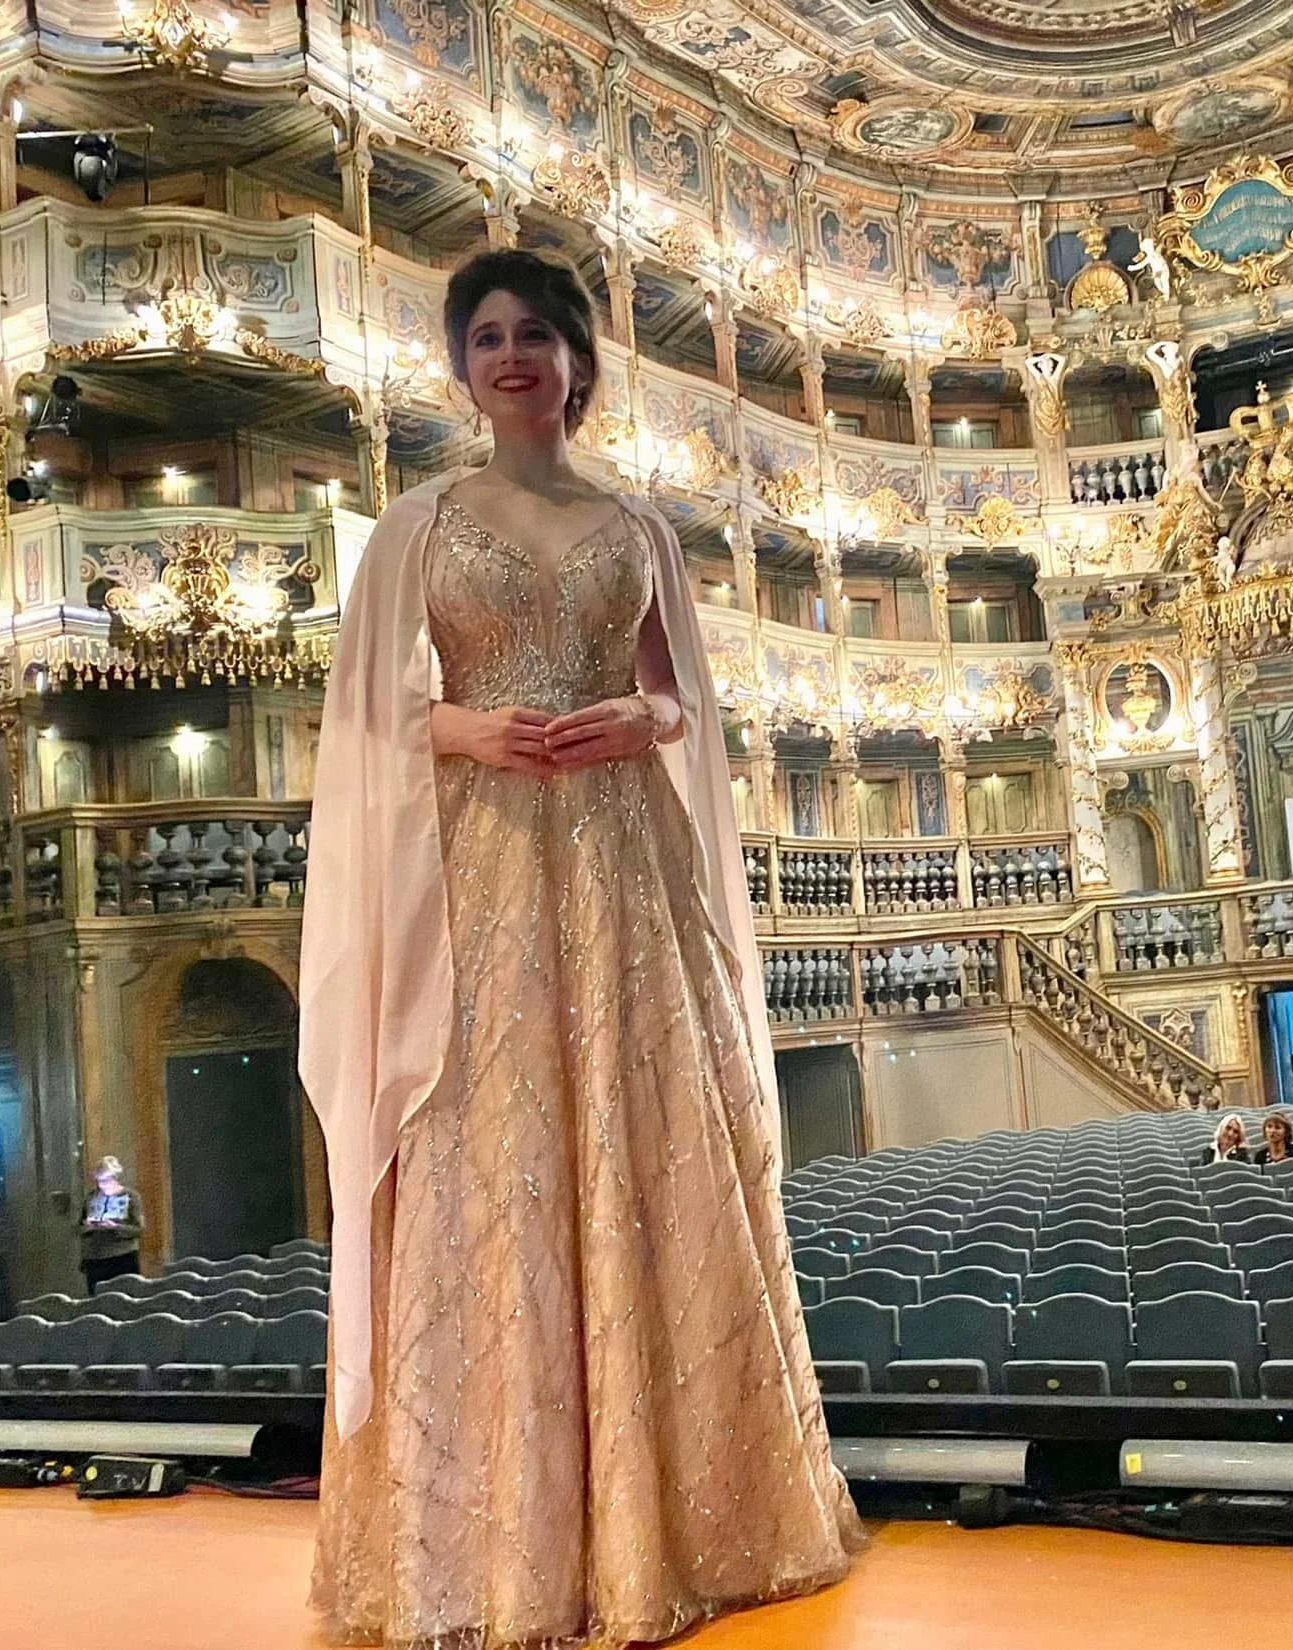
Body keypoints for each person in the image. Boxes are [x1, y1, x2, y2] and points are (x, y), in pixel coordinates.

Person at [302, 247, 859, 1648]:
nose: (511, 356)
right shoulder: (414, 526)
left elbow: (681, 701)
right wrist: (465, 727)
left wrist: (637, 719)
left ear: (576, 363)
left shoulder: (638, 526)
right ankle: (501, 1548)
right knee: (488, 1151)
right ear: (461, 366)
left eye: (534, 335)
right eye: (486, 336)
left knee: (645, 1138)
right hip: (478, 863)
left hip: (621, 863)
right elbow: (364, 712)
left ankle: (675, 1527)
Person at [78, 1156, 144, 1292]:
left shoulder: (131, 1196)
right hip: (95, 1257)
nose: (102, 1185)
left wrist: (115, 1227)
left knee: (124, 1294)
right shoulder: (90, 1197)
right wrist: (88, 1227)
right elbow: (79, 1227)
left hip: (122, 1256)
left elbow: (138, 1229)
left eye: (106, 1180)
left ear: (115, 1177)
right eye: (99, 1181)